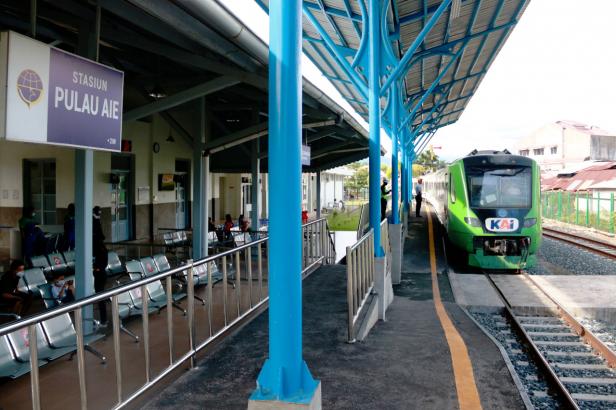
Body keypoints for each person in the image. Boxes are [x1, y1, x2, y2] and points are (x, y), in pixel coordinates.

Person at [92, 206, 108, 325]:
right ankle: (103, 319)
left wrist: (94, 268)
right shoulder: (104, 250)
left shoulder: (99, 251)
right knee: (100, 296)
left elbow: (98, 265)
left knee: (100, 297)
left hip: (99, 274)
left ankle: (103, 320)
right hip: (102, 274)